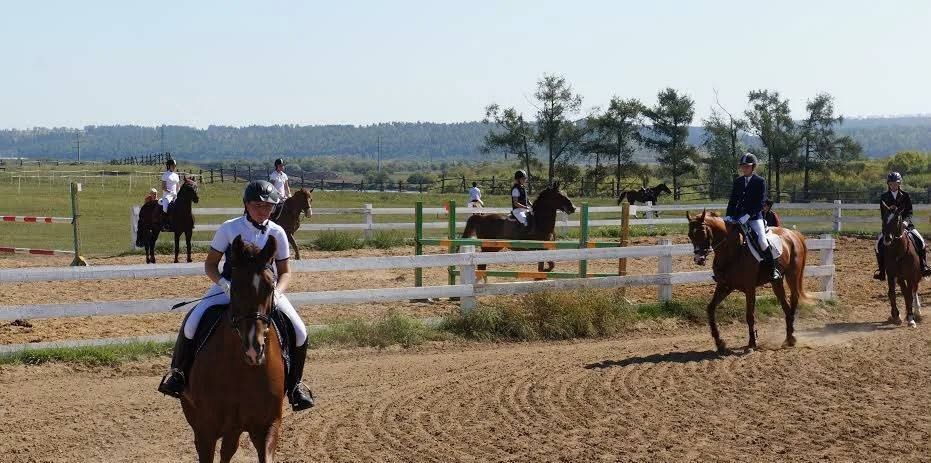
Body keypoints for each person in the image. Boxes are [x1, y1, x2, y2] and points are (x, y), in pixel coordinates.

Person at [157, 180, 315, 411]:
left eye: (268, 207)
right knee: (192, 322)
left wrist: (278, 293)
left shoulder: (278, 232)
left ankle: (295, 386)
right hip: (230, 287)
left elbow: (285, 272)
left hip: (265, 293)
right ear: (246, 205)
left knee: (300, 331)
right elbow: (211, 265)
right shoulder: (229, 228)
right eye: (257, 206)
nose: (263, 211)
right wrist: (222, 284)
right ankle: (178, 374)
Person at [724, 153, 781, 281]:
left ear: (753, 167)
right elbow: (732, 200)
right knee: (727, 239)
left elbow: (760, 202)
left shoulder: (759, 181)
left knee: (762, 241)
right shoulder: (738, 181)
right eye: (742, 166)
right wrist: (728, 215)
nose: (744, 169)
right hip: (737, 217)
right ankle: (725, 270)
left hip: (755, 218)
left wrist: (748, 215)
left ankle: (773, 269)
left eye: (747, 166)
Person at [873, 172, 931, 280]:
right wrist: (888, 225)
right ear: (888, 184)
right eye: (891, 183)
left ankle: (923, 266)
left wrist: (905, 222)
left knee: (921, 242)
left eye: (896, 183)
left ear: (899, 183)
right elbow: (883, 214)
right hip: (889, 227)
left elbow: (909, 212)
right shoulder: (884, 197)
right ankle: (881, 271)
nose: (893, 185)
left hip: (906, 225)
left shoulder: (906, 195)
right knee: (877, 245)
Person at [159, 159, 180, 231]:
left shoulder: (176, 175)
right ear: (169, 166)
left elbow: (178, 186)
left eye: (175, 166)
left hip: (175, 195)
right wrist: (170, 192)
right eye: (173, 165)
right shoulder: (165, 175)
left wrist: (177, 192)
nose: (174, 167)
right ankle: (164, 224)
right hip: (167, 195)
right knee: (165, 207)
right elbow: (163, 187)